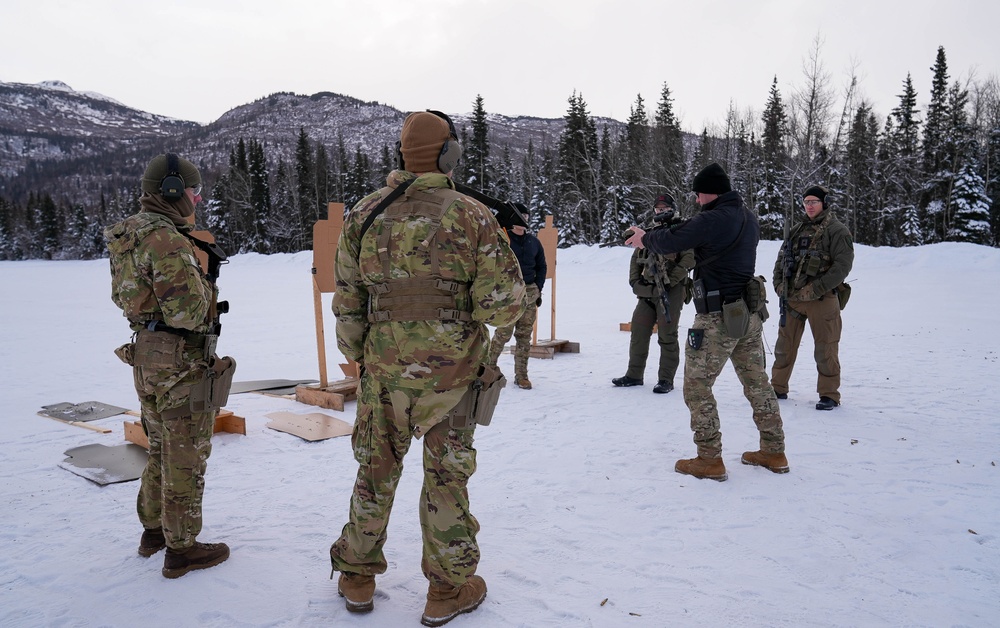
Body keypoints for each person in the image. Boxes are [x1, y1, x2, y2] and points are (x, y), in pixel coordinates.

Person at [329, 110, 525, 626]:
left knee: (374, 471)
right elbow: (503, 306)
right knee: (446, 480)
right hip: (453, 378)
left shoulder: (365, 215)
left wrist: (363, 356)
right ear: (449, 155)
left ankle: (356, 574)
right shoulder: (472, 215)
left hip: (383, 374)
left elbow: (348, 301)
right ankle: (448, 588)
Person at [104, 153, 234, 578]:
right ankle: (182, 548)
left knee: (161, 446)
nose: (197, 199)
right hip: (179, 360)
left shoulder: (128, 234)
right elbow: (188, 312)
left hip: (147, 355)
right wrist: (206, 293)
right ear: (175, 192)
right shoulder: (168, 240)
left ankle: (154, 530)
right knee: (186, 454)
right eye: (194, 191)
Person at [625, 163, 787, 481]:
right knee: (758, 384)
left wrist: (646, 239)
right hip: (748, 315)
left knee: (697, 388)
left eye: (699, 195)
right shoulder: (747, 217)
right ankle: (774, 451)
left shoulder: (713, 218)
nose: (697, 200)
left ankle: (709, 459)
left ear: (708, 192)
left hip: (716, 318)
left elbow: (674, 239)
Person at [771, 185, 855, 411]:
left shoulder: (837, 230)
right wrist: (779, 285)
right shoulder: (797, 229)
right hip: (793, 299)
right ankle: (777, 387)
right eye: (806, 202)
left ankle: (829, 394)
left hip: (822, 299)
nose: (809, 206)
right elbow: (781, 260)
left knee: (825, 348)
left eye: (814, 202)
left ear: (824, 203)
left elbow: (842, 267)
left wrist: (816, 288)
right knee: (784, 346)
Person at [612, 193, 694, 394]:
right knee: (639, 333)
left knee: (667, 335)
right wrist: (637, 284)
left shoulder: (681, 232)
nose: (661, 212)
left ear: (672, 209)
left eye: (664, 208)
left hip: (670, 293)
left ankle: (666, 379)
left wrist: (668, 283)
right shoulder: (648, 234)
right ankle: (634, 375)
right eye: (658, 209)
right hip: (647, 292)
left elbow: (689, 261)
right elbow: (635, 260)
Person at [487, 203, 547, 390]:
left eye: (527, 217)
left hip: (529, 293)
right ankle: (488, 371)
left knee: (524, 337)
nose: (525, 220)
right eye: (521, 216)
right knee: (502, 335)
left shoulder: (534, 242)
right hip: (508, 293)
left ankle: (522, 376)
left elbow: (541, 266)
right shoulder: (503, 241)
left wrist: (538, 288)